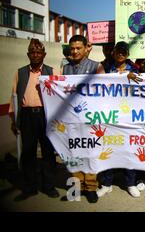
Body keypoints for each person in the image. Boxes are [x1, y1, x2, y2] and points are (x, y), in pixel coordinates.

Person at [9, 39, 59, 201]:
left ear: (44, 54)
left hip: (46, 115)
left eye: (39, 52)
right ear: (28, 54)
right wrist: (14, 120)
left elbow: (58, 97)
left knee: (48, 152)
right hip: (27, 116)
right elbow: (14, 97)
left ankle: (49, 186)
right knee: (28, 152)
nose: (35, 55)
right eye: (32, 52)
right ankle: (30, 187)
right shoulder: (20, 72)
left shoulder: (52, 72)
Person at [97, 41, 143, 198]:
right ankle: (106, 183)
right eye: (118, 51)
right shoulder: (104, 67)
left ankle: (130, 183)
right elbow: (99, 82)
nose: (121, 54)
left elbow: (140, 89)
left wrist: (126, 76)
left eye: (124, 51)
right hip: (109, 115)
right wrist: (122, 76)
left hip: (128, 115)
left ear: (128, 54)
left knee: (130, 149)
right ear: (113, 52)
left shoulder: (135, 69)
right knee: (108, 149)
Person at [62, 35, 103, 203]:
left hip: (90, 118)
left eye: (79, 48)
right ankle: (77, 186)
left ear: (87, 48)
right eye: (72, 48)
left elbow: (104, 91)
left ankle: (91, 187)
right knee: (74, 152)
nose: (75, 51)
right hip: (72, 118)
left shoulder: (96, 66)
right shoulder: (65, 68)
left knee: (90, 153)